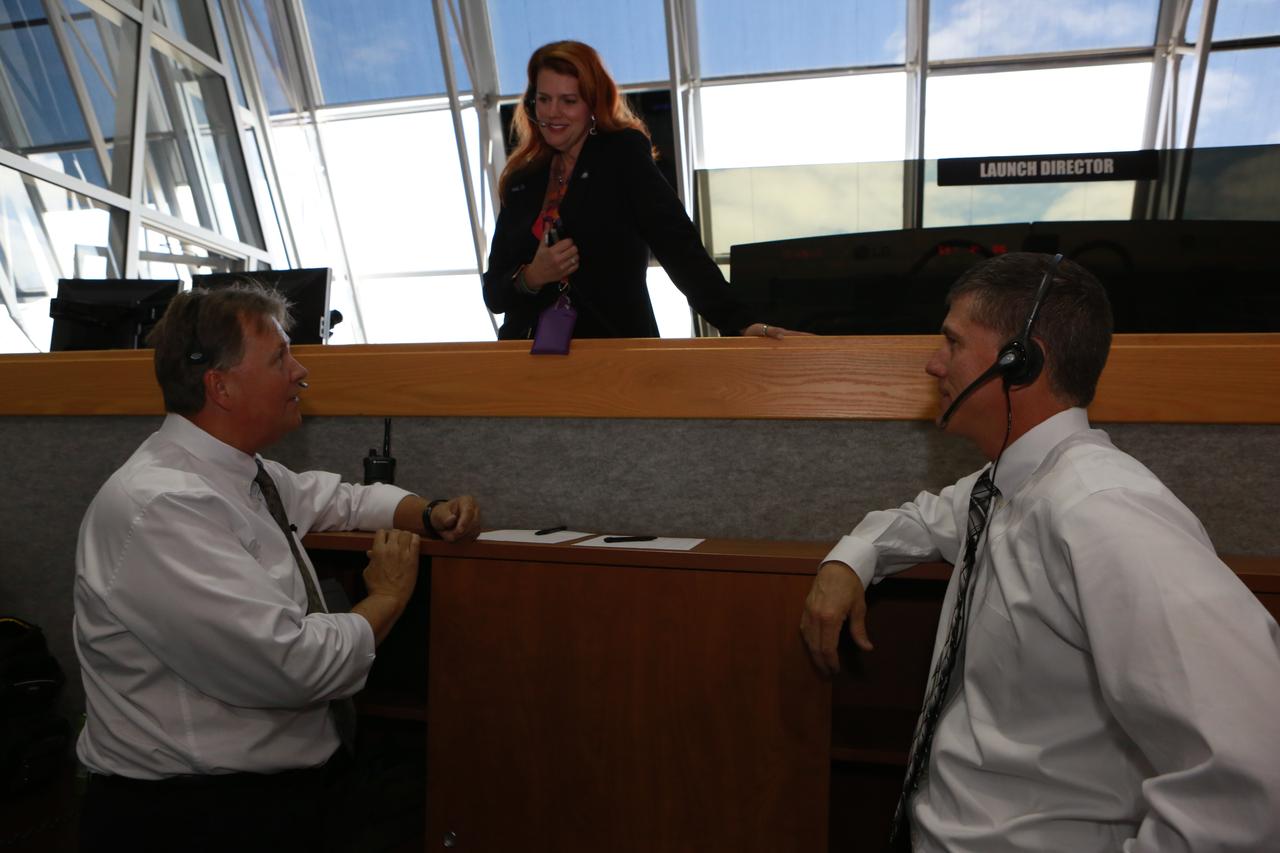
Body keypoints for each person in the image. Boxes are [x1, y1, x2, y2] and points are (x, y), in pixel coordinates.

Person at [800, 252, 1280, 851]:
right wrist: (850, 559)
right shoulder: (1007, 484)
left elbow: (1253, 768)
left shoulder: (1105, 511)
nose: (932, 364)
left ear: (1019, 363)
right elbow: (923, 519)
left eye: (951, 343)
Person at [73, 283, 482, 851]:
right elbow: (292, 665)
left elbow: (337, 499)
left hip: (266, 800)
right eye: (280, 358)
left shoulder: (242, 472)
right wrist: (386, 596)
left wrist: (427, 511)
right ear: (220, 386)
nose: (301, 370)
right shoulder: (162, 506)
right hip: (192, 817)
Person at [483, 40, 795, 340]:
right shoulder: (523, 179)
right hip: (527, 361)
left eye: (569, 100)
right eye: (544, 99)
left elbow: (677, 244)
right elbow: (494, 293)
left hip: (614, 353)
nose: (553, 113)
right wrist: (532, 277)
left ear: (593, 104)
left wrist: (740, 322)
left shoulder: (621, 155)